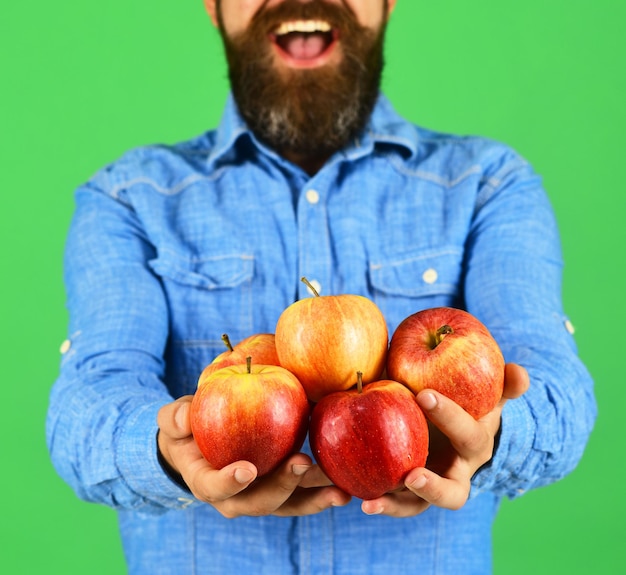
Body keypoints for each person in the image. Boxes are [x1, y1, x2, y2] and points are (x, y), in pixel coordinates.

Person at [46, 0, 596, 573]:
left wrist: (493, 435)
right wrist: (166, 449)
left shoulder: (488, 185)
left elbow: (561, 395)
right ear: (212, 6)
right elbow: (85, 408)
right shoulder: (128, 199)